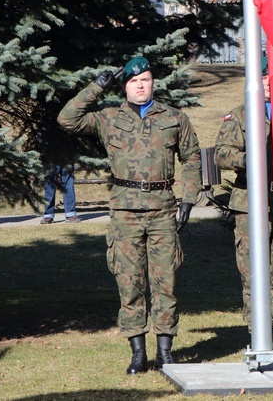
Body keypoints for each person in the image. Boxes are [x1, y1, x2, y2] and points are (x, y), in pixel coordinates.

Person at [57, 56, 202, 375]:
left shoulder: (174, 117)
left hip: (163, 210)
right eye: (134, 81)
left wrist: (189, 199)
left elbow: (192, 157)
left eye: (146, 80)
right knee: (129, 281)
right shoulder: (108, 118)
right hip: (124, 212)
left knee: (165, 282)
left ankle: (165, 351)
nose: (141, 85)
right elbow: (67, 119)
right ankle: (138, 352)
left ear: (153, 83)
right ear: (125, 86)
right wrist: (97, 86)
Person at [214, 56, 273, 361]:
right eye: (262, 78)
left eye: (271, 77)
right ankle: (258, 342)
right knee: (253, 276)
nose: (267, 83)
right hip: (250, 206)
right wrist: (249, 159)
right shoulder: (239, 116)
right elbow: (221, 155)